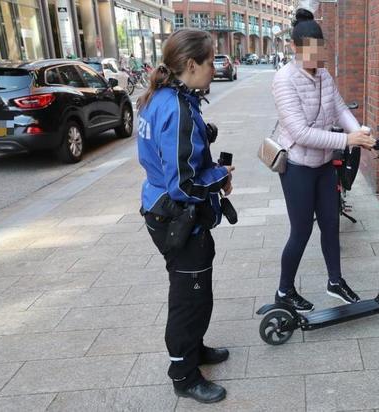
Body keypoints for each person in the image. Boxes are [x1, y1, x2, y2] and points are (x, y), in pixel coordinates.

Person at [136, 29, 233, 404]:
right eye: (211, 62)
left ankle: (194, 349)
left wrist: (203, 137)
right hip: (176, 216)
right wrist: (220, 178)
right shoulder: (175, 105)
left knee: (196, 289)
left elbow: (167, 152)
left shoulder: (164, 96)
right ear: (191, 65)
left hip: (160, 208)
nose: (215, 68)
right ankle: (183, 373)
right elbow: (183, 185)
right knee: (189, 298)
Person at [272, 8, 376, 312]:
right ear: (294, 48)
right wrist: (347, 140)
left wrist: (361, 132)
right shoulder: (284, 80)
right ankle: (284, 290)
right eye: (309, 52)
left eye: (320, 51)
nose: (316, 58)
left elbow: (341, 109)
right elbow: (301, 133)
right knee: (301, 230)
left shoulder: (324, 75)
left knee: (331, 223)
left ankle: (335, 282)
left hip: (324, 165)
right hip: (297, 167)